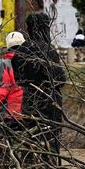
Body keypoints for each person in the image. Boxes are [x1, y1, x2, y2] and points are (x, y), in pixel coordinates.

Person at [12, 12, 67, 156]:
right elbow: (60, 79)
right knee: (50, 140)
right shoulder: (48, 51)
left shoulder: (21, 50)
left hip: (28, 101)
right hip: (49, 103)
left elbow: (18, 78)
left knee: (31, 139)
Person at [0, 31, 26, 127]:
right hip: (30, 110)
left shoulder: (6, 63)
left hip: (12, 112)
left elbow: (3, 88)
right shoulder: (30, 60)